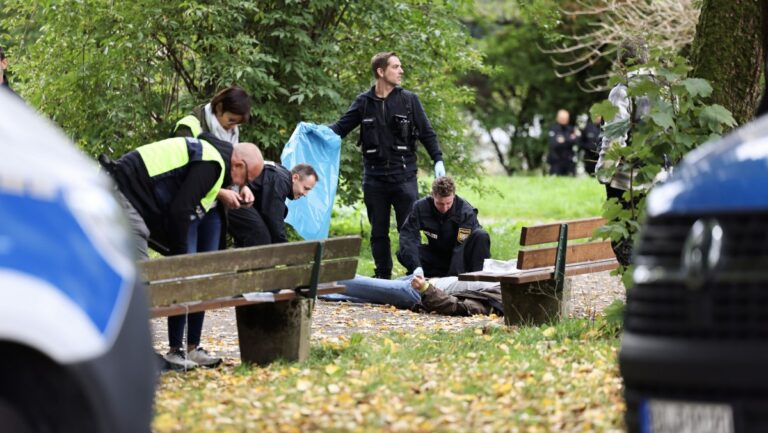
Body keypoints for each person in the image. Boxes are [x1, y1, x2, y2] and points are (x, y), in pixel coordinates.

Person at [100, 136, 264, 369]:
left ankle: (137, 353)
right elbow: (180, 211)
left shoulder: (212, 159)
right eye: (249, 178)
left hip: (123, 188)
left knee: (138, 277)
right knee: (141, 278)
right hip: (122, 189)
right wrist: (179, 260)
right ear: (238, 165)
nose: (245, 184)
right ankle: (135, 355)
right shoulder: (212, 165)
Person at [329, 51, 445, 280]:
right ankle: (383, 277)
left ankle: (416, 275)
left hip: (404, 178)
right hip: (374, 179)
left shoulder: (409, 100)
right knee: (378, 232)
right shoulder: (364, 103)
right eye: (396, 67)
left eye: (400, 66)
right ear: (381, 72)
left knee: (408, 229)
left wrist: (438, 159)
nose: (401, 71)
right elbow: (339, 129)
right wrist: (315, 133)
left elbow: (427, 134)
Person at [595, 37, 651, 266]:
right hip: (661, 176)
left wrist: (603, 173)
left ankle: (635, 296)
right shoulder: (666, 88)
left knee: (624, 242)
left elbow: (615, 137)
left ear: (621, 61)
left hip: (628, 181)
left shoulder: (623, 90)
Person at [397, 176, 490, 278]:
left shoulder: (465, 212)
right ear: (433, 196)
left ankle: (474, 277)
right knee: (404, 252)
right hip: (438, 255)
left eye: (448, 203)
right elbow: (408, 236)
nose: (444, 208)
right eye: (440, 203)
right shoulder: (420, 207)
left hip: (462, 257)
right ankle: (423, 275)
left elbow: (460, 247)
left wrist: (453, 278)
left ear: (454, 196)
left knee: (481, 235)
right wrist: (416, 267)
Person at [322, 273, 502, 316]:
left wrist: (426, 289)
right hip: (427, 280)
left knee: (350, 281)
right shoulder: (513, 285)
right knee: (369, 293)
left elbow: (456, 307)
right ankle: (323, 292)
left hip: (418, 292)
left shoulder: (498, 303)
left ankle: (311, 276)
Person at [228, 162, 318, 246]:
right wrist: (289, 253)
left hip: (238, 195)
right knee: (260, 236)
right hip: (232, 195)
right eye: (305, 188)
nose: (305, 194)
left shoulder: (281, 174)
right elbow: (274, 220)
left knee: (261, 232)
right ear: (295, 178)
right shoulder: (280, 180)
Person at [547, 109, 579, 176]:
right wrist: (569, 139)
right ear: (557, 118)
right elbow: (554, 144)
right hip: (556, 162)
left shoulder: (571, 129)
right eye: (562, 118)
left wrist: (563, 140)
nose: (564, 120)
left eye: (565, 118)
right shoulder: (553, 129)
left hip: (569, 161)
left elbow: (577, 142)